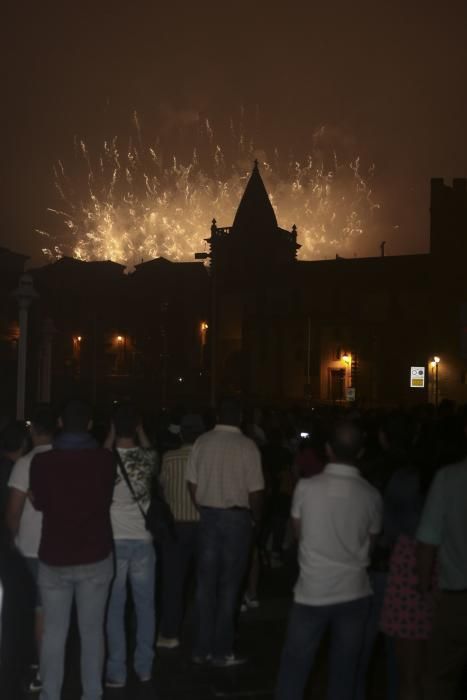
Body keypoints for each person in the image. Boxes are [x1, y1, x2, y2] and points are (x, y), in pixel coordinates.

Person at [276, 420, 382, 700]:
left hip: (313, 590)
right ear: (360, 452)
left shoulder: (306, 488)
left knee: (294, 670)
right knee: (346, 673)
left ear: (327, 449)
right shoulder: (372, 495)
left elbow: (299, 535)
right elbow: (370, 546)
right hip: (354, 591)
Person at [29, 399, 115, 700]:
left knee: (54, 633)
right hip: (95, 555)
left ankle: (50, 694)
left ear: (61, 424)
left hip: (54, 556)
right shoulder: (105, 460)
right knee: (92, 633)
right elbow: (105, 499)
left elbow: (38, 502)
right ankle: (92, 694)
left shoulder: (42, 462)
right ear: (90, 424)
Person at [186, 398, 264, 667]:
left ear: (218, 414)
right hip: (236, 518)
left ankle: (201, 648)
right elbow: (255, 490)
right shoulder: (247, 446)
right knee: (230, 586)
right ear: (240, 417)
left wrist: (203, 507)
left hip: (208, 515)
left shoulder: (202, 442)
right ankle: (222, 650)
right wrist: (255, 518)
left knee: (205, 586)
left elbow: (192, 483)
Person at [104, 402, 158, 689]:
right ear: (136, 426)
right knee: (145, 607)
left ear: (114, 426)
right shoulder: (148, 458)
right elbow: (150, 450)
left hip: (114, 540)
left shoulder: (105, 459)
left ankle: (117, 671)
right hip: (143, 541)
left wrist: (112, 434)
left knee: (114, 608)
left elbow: (103, 451)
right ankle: (145, 667)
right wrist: (140, 429)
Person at [5, 404, 56, 694]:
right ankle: (49, 663)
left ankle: (42, 666)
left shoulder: (26, 463)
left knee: (39, 610)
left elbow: (13, 510)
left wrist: (11, 538)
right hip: (62, 545)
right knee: (53, 609)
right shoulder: (66, 458)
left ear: (33, 430)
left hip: (31, 546)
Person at [416, 440, 467, 700]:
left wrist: (424, 586)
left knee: (439, 678)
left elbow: (428, 540)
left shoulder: (449, 477)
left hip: (457, 596)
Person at [157, 413, 204, 648]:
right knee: (205, 583)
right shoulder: (207, 458)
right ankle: (203, 634)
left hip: (176, 527)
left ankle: (170, 633)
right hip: (204, 526)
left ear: (182, 434)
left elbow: (162, 490)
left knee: (173, 583)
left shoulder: (169, 457)